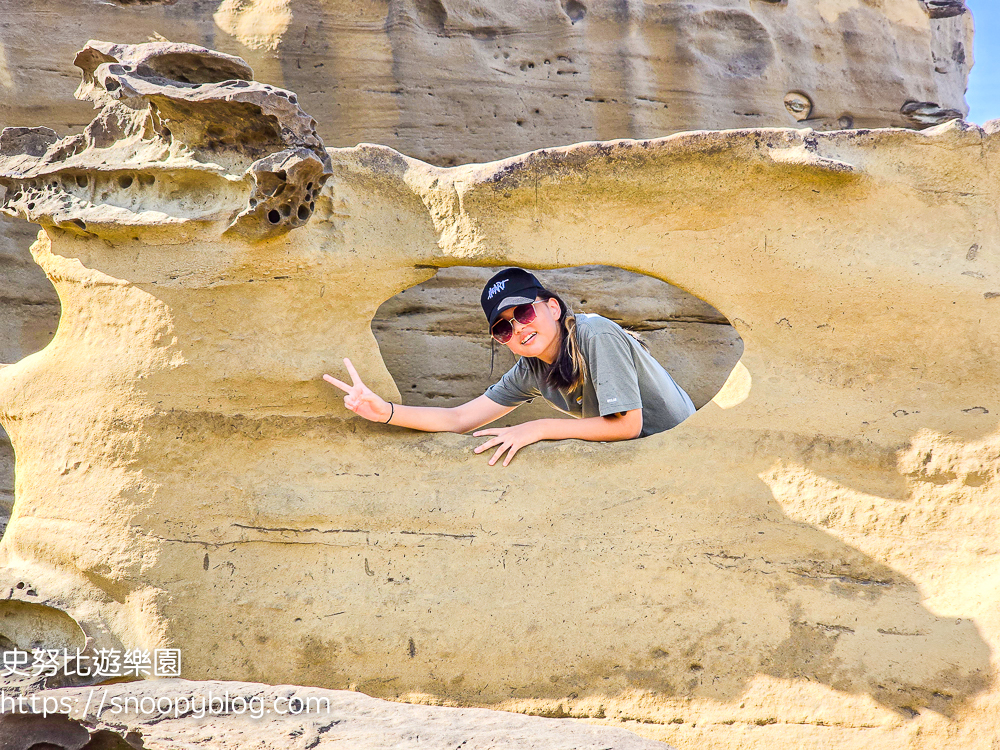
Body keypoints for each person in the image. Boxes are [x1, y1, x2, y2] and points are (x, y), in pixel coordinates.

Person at [323, 268, 695, 467]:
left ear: (551, 307)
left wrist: (536, 427)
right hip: (636, 463)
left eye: (524, 312)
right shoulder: (529, 369)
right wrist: (383, 411)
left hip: (686, 450)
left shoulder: (594, 332)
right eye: (503, 328)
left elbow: (628, 426)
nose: (518, 328)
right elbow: (460, 419)